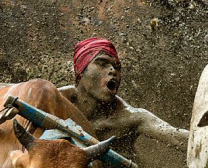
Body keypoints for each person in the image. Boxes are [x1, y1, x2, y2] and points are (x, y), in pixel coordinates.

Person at [58, 37, 188, 155]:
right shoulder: (56, 100)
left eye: (117, 67)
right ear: (80, 73)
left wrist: (207, 137)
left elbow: (176, 136)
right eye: (102, 64)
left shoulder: (130, 117)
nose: (113, 71)